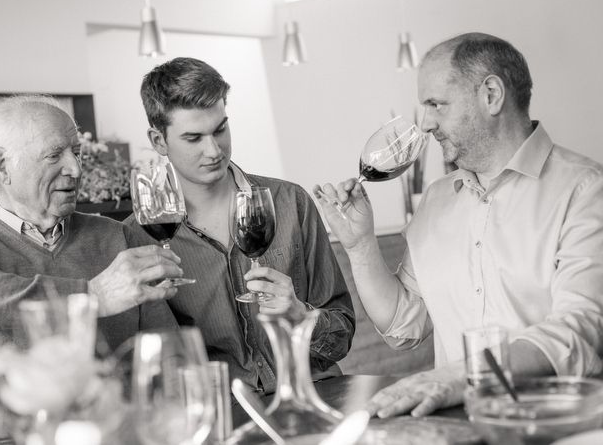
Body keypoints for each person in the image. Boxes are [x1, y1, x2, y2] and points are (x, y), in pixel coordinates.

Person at [315, 32, 603, 418]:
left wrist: (459, 377)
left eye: (436, 104)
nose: (427, 124)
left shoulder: (585, 190)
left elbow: (580, 331)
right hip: (459, 425)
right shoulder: (436, 200)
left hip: (559, 425)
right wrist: (360, 245)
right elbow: (405, 324)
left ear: (491, 95)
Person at [0, 95, 183, 444]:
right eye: (54, 154)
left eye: (76, 152)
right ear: (2, 166)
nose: (74, 168)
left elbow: (171, 356)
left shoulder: (117, 236)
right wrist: (91, 297)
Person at [125, 57, 356, 393]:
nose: (214, 149)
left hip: (315, 393)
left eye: (220, 129)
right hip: (222, 411)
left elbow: (342, 335)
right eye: (193, 138)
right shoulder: (138, 235)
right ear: (159, 141)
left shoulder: (290, 203)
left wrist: (300, 316)